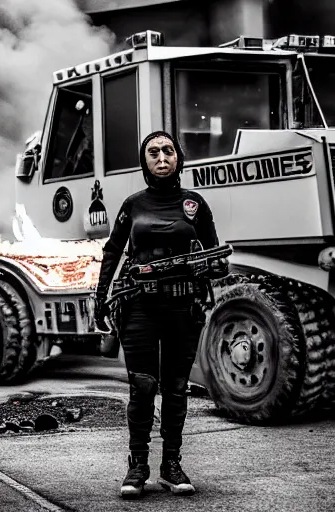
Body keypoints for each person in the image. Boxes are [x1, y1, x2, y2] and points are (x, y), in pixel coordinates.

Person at [93, 130, 227, 499]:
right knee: (143, 386)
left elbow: (215, 258)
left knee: (176, 388)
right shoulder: (132, 205)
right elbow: (112, 251)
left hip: (183, 309)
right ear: (145, 161)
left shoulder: (194, 205)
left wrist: (209, 268)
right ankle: (137, 467)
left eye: (168, 150)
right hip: (139, 307)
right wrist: (101, 297)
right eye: (153, 152)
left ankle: (171, 465)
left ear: (178, 158)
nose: (162, 157)